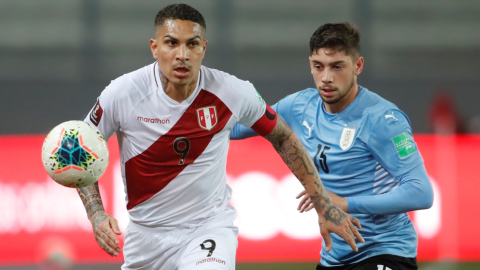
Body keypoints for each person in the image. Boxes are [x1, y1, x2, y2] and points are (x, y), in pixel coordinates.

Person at [77, 5, 363, 270]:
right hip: (146, 237)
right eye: (171, 43)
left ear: (204, 48)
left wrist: (323, 204)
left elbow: (283, 137)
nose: (182, 55)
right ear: (154, 48)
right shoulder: (123, 93)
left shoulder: (232, 92)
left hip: (207, 228)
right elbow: (80, 149)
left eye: (192, 44)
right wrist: (97, 214)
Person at [230, 22, 433, 270]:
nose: (326, 78)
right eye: (319, 66)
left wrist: (345, 203)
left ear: (357, 66)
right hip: (335, 257)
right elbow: (238, 129)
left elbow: (421, 192)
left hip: (384, 251)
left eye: (337, 66)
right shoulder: (298, 106)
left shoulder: (383, 119)